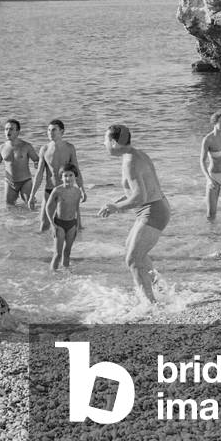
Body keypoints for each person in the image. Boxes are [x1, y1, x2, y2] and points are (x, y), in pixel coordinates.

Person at [97, 124, 170, 305]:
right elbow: (145, 188)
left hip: (153, 211)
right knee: (136, 253)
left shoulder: (130, 161)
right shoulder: (137, 154)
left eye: (105, 140)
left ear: (114, 143)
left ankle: (150, 304)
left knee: (133, 259)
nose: (103, 143)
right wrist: (121, 200)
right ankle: (160, 291)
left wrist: (116, 207)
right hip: (155, 207)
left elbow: (140, 197)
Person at [29, 119, 84, 234]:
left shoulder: (69, 148)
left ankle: (80, 244)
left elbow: (76, 170)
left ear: (62, 132)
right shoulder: (44, 149)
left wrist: (82, 189)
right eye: (48, 130)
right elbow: (39, 174)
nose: (50, 132)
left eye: (54, 130)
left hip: (67, 190)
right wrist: (32, 195)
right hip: (50, 190)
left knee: (76, 225)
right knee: (44, 224)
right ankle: (42, 245)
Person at [0, 119, 40, 206]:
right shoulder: (2, 148)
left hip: (25, 181)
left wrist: (37, 164)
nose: (8, 131)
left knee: (30, 204)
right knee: (9, 206)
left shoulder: (26, 146)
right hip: (9, 182)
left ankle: (34, 214)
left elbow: (36, 159)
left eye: (11, 129)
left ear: (17, 132)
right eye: (6, 129)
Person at [45, 166, 84, 271]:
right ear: (61, 177)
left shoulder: (77, 191)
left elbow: (77, 209)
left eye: (70, 175)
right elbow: (47, 208)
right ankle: (53, 274)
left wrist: (78, 225)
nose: (68, 178)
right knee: (58, 253)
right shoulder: (57, 190)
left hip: (72, 224)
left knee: (67, 252)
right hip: (59, 224)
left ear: (75, 177)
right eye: (65, 176)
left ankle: (65, 274)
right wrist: (52, 225)